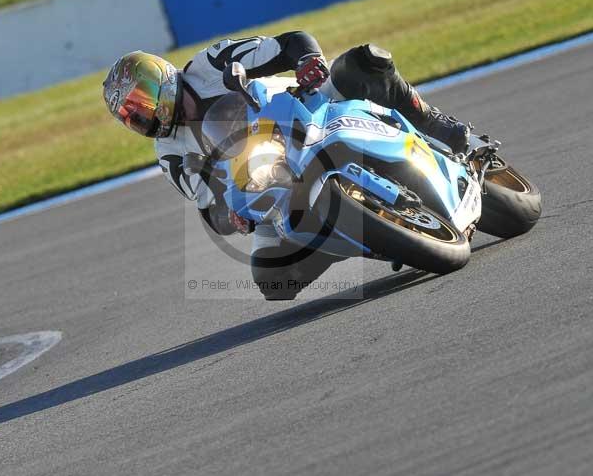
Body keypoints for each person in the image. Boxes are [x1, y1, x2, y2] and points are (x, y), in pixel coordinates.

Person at [102, 31, 470, 299]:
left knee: (363, 62)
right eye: (131, 117)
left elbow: (292, 42)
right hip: (272, 180)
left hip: (307, 110)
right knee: (272, 278)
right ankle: (364, 235)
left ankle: (436, 124)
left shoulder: (211, 63)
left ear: (161, 80)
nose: (142, 118)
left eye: (141, 104)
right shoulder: (170, 154)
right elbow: (208, 207)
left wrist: (307, 62)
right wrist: (231, 216)